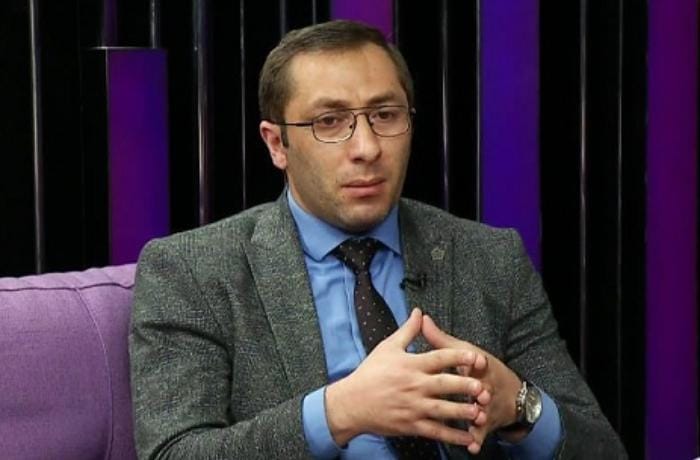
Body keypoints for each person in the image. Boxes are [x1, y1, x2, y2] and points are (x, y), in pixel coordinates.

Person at [130, 20, 627, 459]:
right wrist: (339, 412)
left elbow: (601, 450)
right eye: (330, 122)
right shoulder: (193, 271)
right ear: (277, 143)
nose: (367, 148)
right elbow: (176, 452)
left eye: (385, 115)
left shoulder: (490, 258)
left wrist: (519, 405)